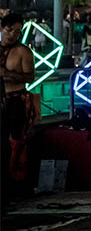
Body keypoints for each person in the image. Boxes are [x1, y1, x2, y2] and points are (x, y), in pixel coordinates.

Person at [1, 13, 35, 205]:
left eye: (17, 32)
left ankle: (17, 186)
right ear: (2, 28)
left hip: (16, 100)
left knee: (15, 144)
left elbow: (30, 77)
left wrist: (7, 74)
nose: (12, 35)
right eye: (9, 30)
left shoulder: (22, 52)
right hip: (3, 100)